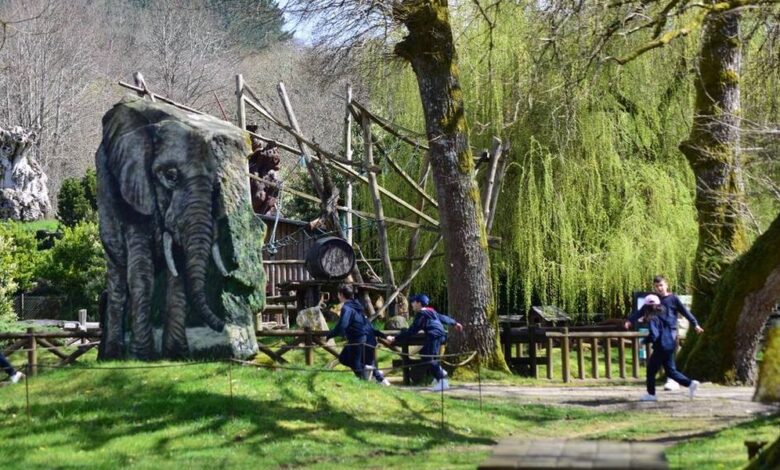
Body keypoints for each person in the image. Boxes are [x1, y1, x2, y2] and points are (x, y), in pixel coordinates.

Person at [625, 294, 700, 401]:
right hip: (670, 344)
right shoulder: (663, 313)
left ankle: (651, 395)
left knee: (651, 370)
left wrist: (644, 341)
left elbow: (654, 335)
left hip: (661, 346)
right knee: (670, 371)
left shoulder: (652, 318)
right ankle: (691, 384)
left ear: (647, 307)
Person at [392, 294, 463, 391]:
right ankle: (439, 375)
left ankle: (442, 381)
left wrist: (395, 338)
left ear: (419, 303)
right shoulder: (431, 311)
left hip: (434, 335)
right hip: (440, 335)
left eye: (413, 302)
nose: (411, 304)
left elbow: (413, 330)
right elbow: (442, 317)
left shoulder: (421, 314)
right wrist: (454, 323)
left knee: (428, 357)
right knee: (425, 354)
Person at [326, 284, 391, 386]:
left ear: (341, 295)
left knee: (355, 363)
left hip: (358, 338)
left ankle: (366, 383)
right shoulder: (356, 305)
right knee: (344, 358)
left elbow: (342, 325)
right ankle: (375, 375)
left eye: (338, 294)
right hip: (366, 336)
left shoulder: (347, 307)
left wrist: (331, 334)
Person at [651, 275, 704, 390]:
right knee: (662, 357)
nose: (659, 288)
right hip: (659, 333)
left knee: (667, 355)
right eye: (656, 286)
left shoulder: (673, 299)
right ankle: (677, 380)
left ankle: (673, 380)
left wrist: (695, 324)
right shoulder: (654, 300)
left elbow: (685, 312)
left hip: (670, 332)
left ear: (666, 285)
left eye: (661, 285)